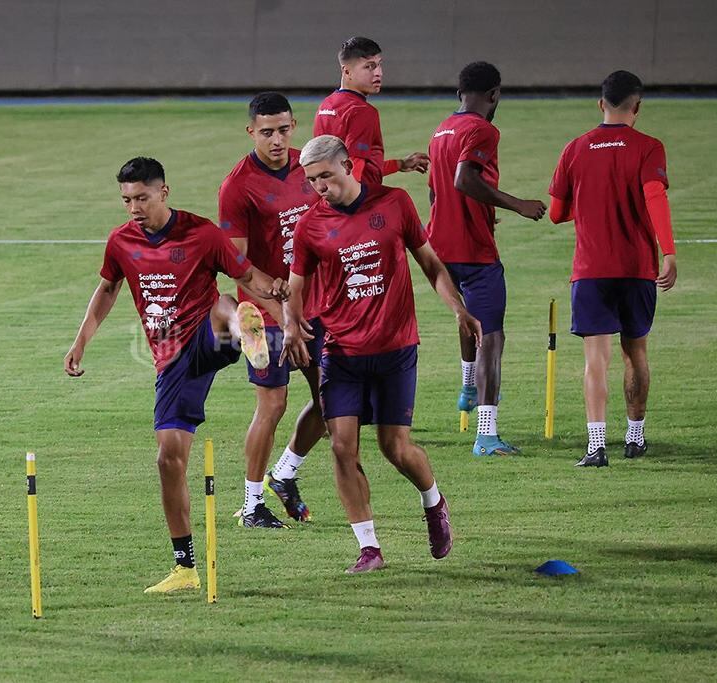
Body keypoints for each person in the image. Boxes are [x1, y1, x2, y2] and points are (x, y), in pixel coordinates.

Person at [64, 157, 289, 593]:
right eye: (127, 200)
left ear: (163, 192)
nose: (134, 207)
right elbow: (107, 289)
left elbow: (247, 275)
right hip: (172, 363)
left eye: (142, 198)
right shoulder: (120, 242)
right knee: (168, 458)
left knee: (224, 303)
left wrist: (276, 296)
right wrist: (81, 341)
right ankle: (185, 568)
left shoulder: (202, 233)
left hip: (207, 336)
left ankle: (244, 330)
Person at [281, 136, 482, 573]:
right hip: (341, 351)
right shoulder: (310, 226)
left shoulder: (395, 203)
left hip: (396, 348)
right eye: (312, 180)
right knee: (342, 447)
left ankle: (434, 502)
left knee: (396, 448)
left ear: (347, 166)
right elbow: (295, 287)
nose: (320, 186)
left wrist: (459, 310)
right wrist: (291, 324)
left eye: (326, 176)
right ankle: (369, 548)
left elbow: (431, 264)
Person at [548, 70, 677, 468]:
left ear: (601, 104)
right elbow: (654, 196)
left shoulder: (575, 148)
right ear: (637, 107)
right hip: (637, 269)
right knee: (635, 353)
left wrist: (590, 204)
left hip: (591, 271)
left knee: (596, 361)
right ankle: (635, 439)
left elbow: (555, 213)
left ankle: (596, 447)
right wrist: (669, 252)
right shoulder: (649, 147)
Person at [426, 61, 547, 456]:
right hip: (474, 252)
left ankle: (467, 387)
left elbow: (436, 191)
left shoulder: (441, 129)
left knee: (466, 318)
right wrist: (518, 204)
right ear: (494, 94)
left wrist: (463, 217)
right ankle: (486, 435)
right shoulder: (483, 130)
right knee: (491, 336)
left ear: (459, 93)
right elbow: (464, 179)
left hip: (439, 248)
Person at [218, 92, 326, 527]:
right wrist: (283, 313)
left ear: (294, 125)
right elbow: (238, 267)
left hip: (316, 305)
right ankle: (251, 505)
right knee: (273, 405)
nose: (277, 140)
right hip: (262, 315)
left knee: (334, 399)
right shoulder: (237, 186)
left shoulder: (310, 167)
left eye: (283, 130)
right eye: (267, 133)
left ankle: (285, 473)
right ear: (251, 132)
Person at [313, 36, 429, 186]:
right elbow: (353, 170)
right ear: (347, 71)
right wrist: (352, 199)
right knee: (399, 197)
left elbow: (341, 168)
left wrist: (399, 164)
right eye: (369, 67)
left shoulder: (325, 106)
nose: (378, 73)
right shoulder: (362, 111)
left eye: (379, 65)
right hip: (354, 197)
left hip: (327, 193)